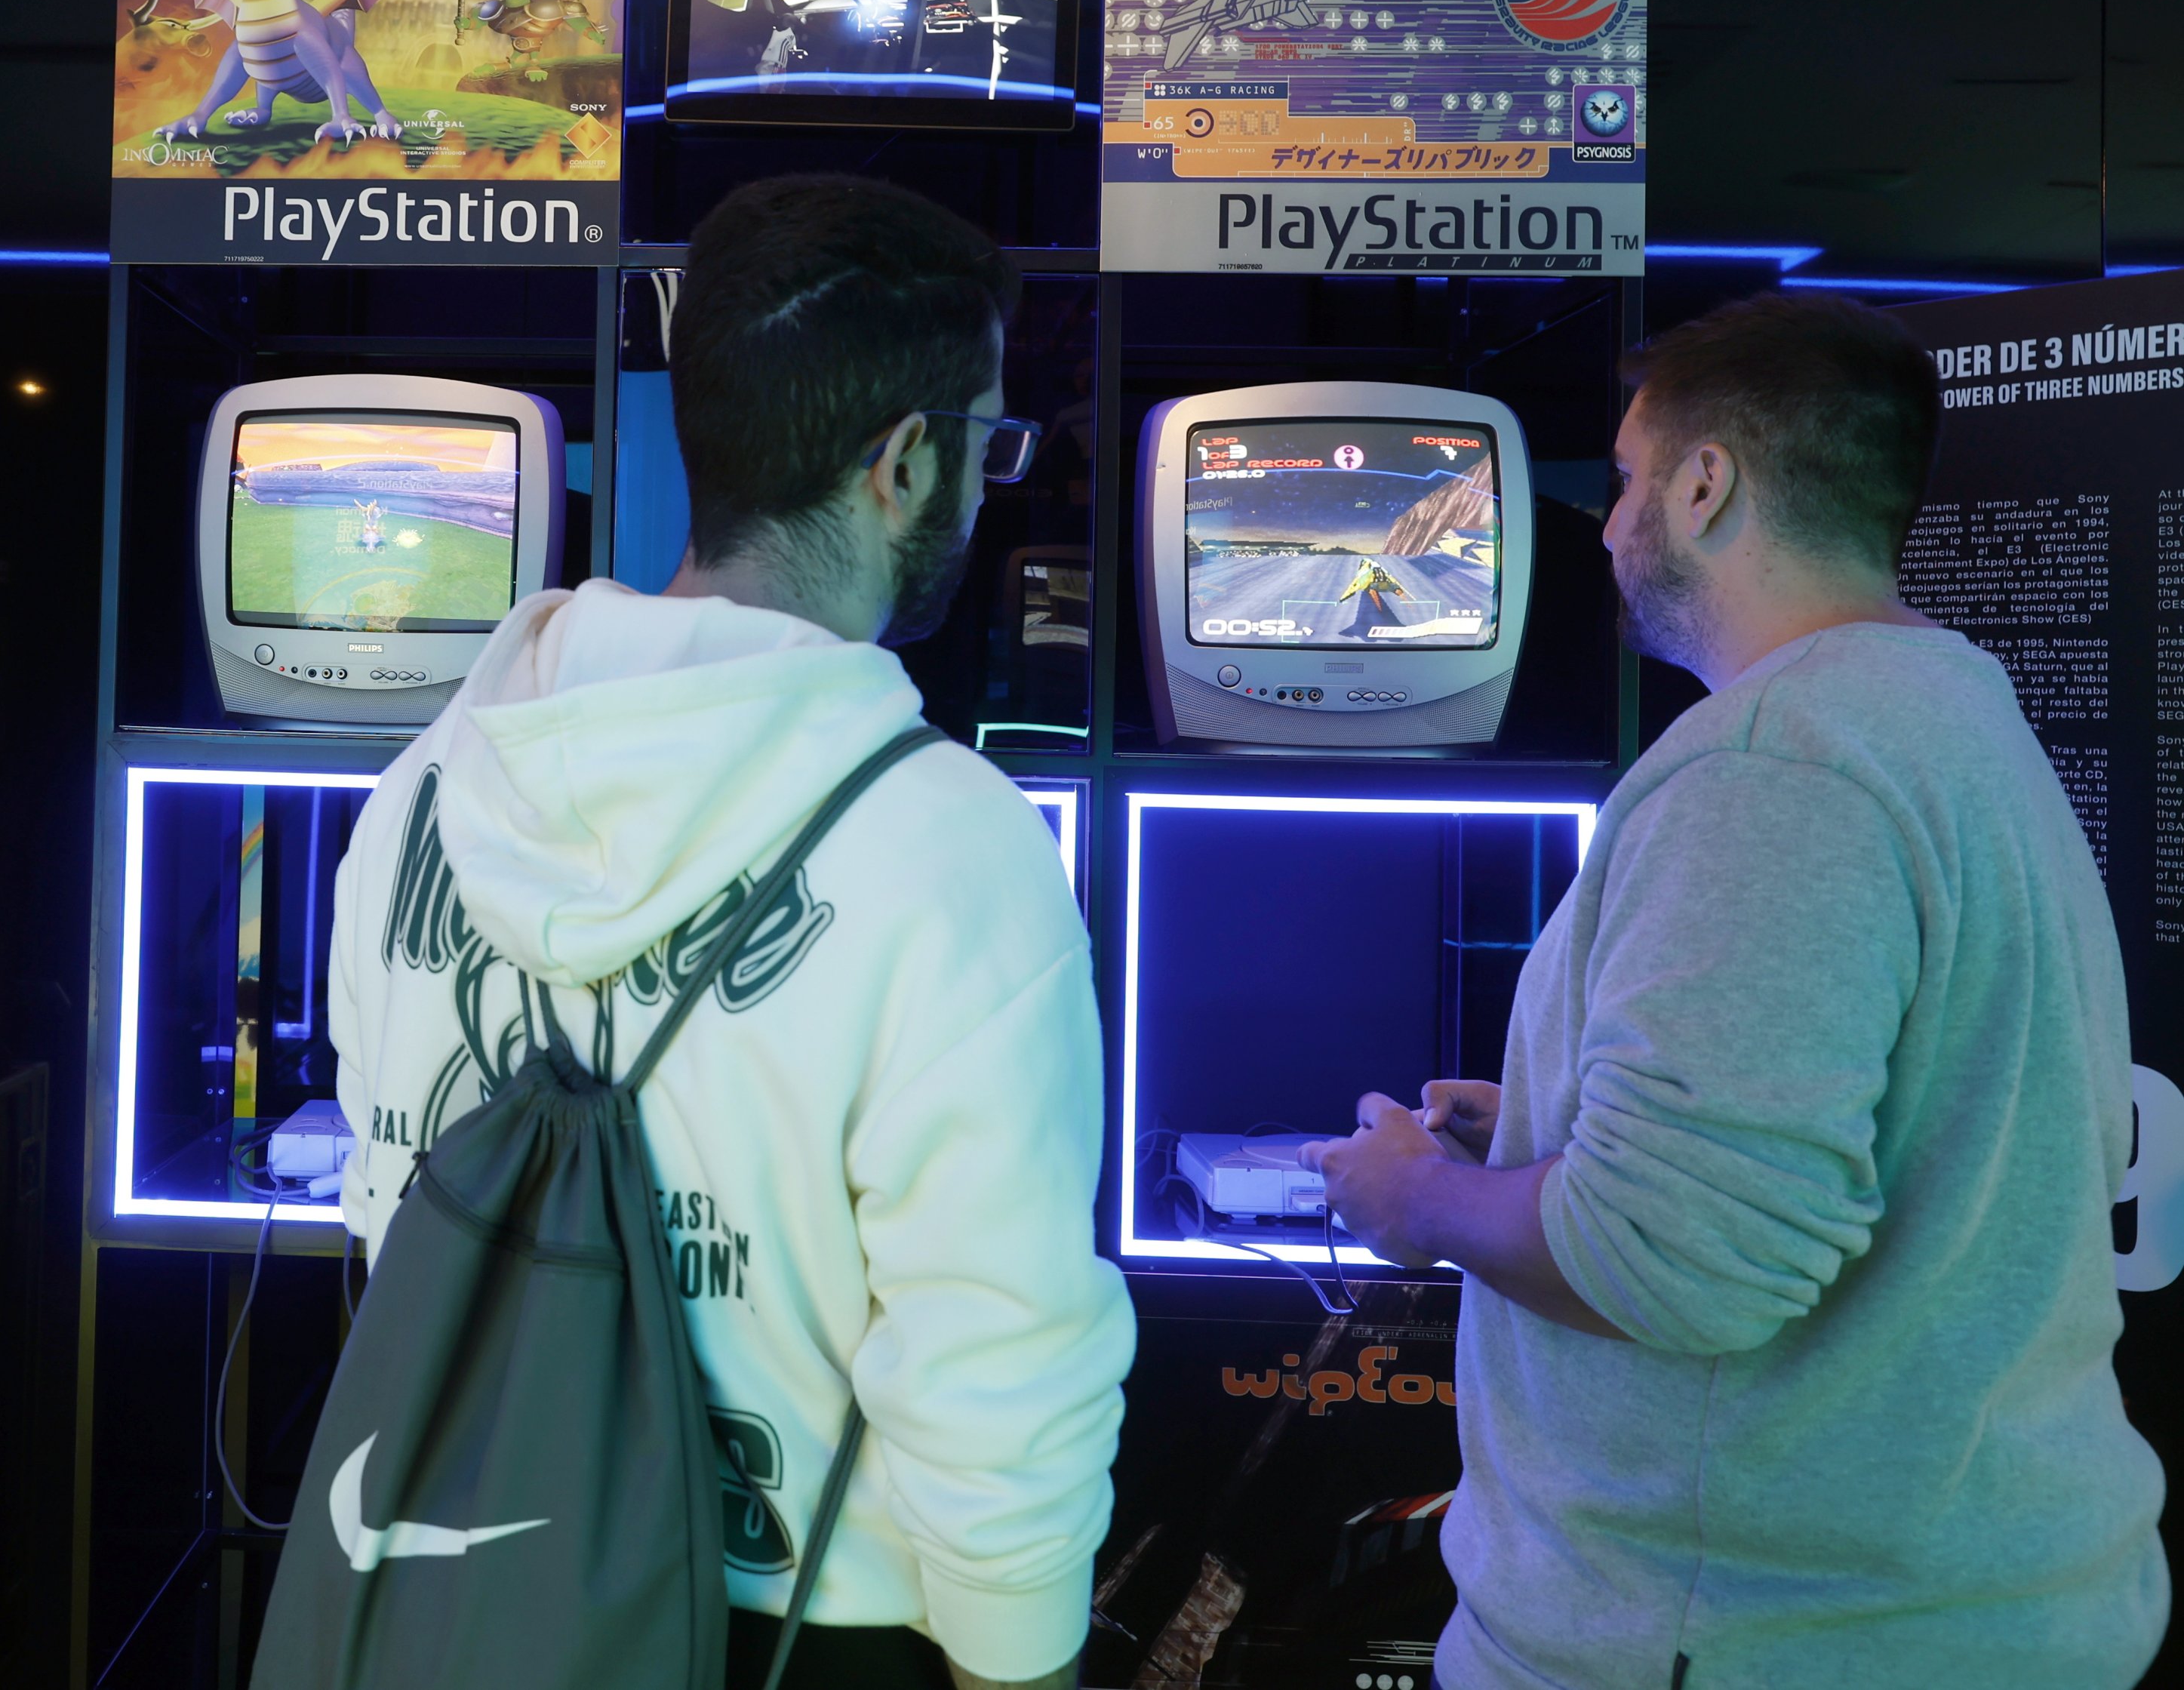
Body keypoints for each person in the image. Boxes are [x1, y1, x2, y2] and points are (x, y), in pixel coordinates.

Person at [325, 173, 1132, 1690]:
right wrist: (1016, 1656)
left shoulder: (422, 790)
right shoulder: (947, 840)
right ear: (902, 464)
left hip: (454, 1588)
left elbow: (383, 1201)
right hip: (799, 1639)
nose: (983, 485)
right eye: (986, 446)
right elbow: (994, 1352)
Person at [1303, 292, 2168, 1687]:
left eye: (1634, 478)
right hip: (1933, 1604)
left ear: (1709, 485)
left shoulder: (1775, 763)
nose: (1608, 522)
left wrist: (1417, 1199)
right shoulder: (1944, 708)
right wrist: (1556, 1110)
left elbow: (1675, 1257)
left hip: (1751, 1633)